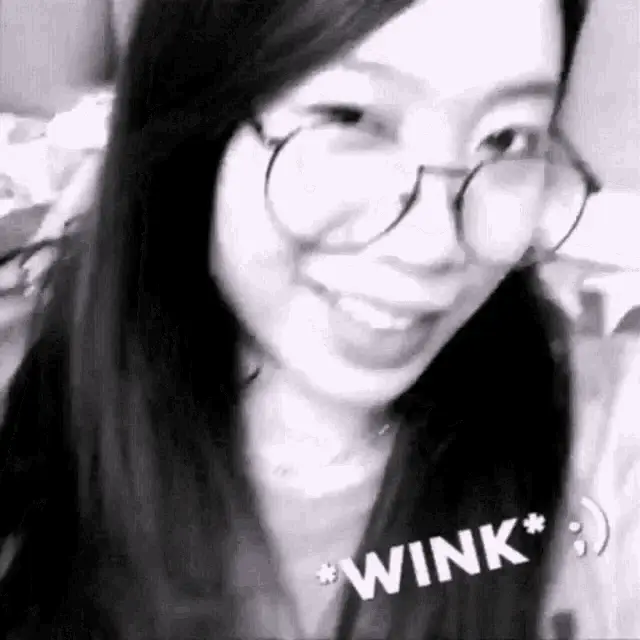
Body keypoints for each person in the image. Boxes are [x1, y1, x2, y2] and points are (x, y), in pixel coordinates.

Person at [0, 0, 596, 638]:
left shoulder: (604, 446)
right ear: (190, 114)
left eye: (507, 139)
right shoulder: (25, 396)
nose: (435, 244)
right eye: (349, 117)